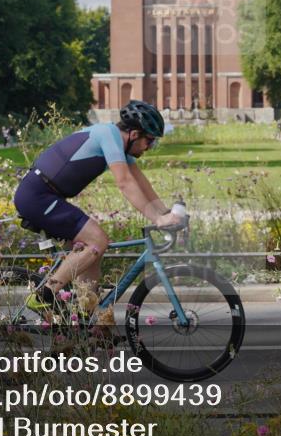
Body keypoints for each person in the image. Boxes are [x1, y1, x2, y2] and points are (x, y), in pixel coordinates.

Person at [13, 100, 182, 319]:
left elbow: (142, 183)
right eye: (149, 140)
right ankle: (44, 296)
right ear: (134, 134)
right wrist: (157, 220)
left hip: (46, 196)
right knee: (98, 240)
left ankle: (87, 321)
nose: (150, 147)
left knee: (92, 251)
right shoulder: (108, 135)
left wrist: (165, 213)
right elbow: (125, 183)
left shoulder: (119, 144)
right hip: (37, 196)